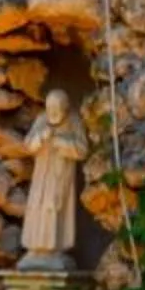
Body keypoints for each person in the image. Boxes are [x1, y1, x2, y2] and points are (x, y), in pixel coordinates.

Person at [22, 89, 86, 267]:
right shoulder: (42, 119)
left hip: (60, 176)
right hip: (41, 176)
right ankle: (34, 249)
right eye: (50, 107)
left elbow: (82, 150)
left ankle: (54, 249)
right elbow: (28, 146)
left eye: (56, 107)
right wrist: (41, 136)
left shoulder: (73, 121)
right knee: (37, 207)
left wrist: (63, 142)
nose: (53, 111)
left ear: (65, 107)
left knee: (54, 208)